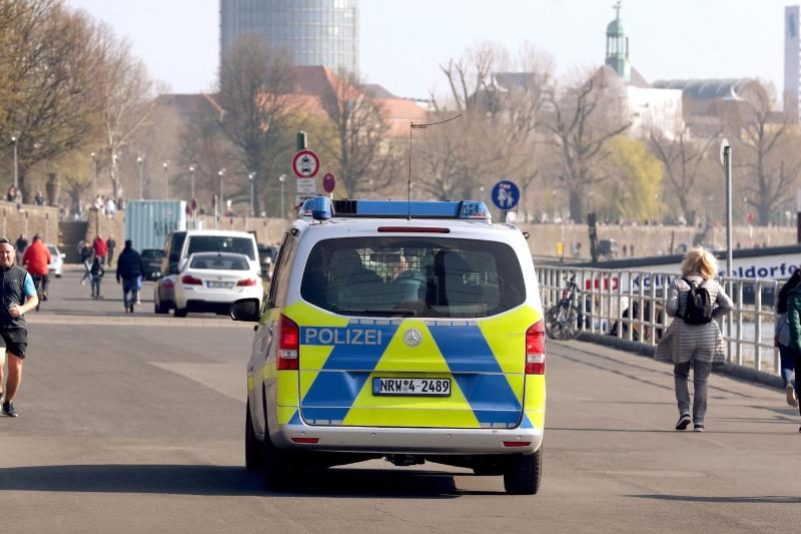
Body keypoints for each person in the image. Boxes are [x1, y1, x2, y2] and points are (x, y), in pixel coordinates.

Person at [663, 247, 733, 432]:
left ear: (687, 263)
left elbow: (670, 309)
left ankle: (684, 411)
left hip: (683, 334)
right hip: (706, 335)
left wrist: (682, 313)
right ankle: (699, 421)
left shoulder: (678, 284)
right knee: (701, 379)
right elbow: (729, 305)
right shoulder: (713, 285)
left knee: (680, 374)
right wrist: (711, 316)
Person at [0, 237, 40, 417]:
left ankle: (8, 402)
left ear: (14, 254)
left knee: (15, 368)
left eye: (7, 252)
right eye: (1, 253)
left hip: (16, 327)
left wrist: (22, 308)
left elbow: (34, 299)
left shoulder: (23, 275)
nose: (4, 255)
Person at [775, 269, 801, 407]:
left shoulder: (787, 294)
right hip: (797, 337)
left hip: (785, 335)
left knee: (786, 365)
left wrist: (776, 335)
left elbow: (781, 318)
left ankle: (789, 383)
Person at [21, 234, 51, 306]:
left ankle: (30, 294)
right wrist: (47, 262)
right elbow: (49, 259)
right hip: (43, 269)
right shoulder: (45, 248)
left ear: (33, 240)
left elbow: (25, 258)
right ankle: (44, 292)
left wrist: (24, 262)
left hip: (32, 269)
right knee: (46, 281)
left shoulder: (30, 247)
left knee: (28, 280)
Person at [116, 240, 144, 313]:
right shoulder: (136, 254)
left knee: (125, 292)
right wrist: (143, 274)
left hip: (125, 276)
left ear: (125, 245)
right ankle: (130, 303)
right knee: (134, 292)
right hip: (134, 276)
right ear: (131, 245)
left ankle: (126, 305)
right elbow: (141, 265)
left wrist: (118, 276)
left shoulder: (122, 255)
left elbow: (119, 267)